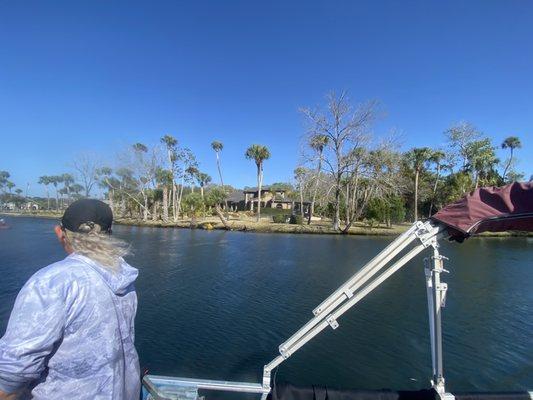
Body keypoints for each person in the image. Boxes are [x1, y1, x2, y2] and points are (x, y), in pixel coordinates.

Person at [0, 199, 140, 399]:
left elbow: (11, 376)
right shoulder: (124, 276)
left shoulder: (52, 282)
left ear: (60, 233)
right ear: (109, 235)